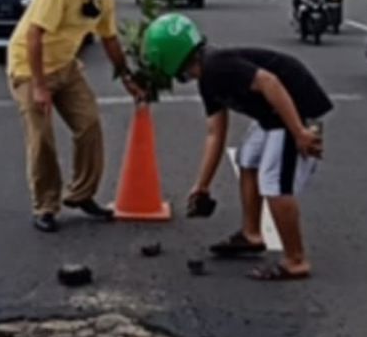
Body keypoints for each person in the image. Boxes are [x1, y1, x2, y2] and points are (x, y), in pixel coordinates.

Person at [142, 14, 333, 281]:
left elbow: (270, 82)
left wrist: (299, 132)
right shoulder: (207, 78)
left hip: (294, 109)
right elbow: (215, 134)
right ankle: (251, 234)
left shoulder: (218, 66)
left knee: (274, 182)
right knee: (248, 157)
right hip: (271, 114)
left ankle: (295, 260)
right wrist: (202, 185)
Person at [7, 0, 145, 233]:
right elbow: (34, 36)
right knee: (42, 138)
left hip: (66, 66)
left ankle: (82, 194)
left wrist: (127, 78)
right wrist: (40, 87)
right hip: (29, 67)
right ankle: (45, 206)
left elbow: (109, 39)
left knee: (90, 124)